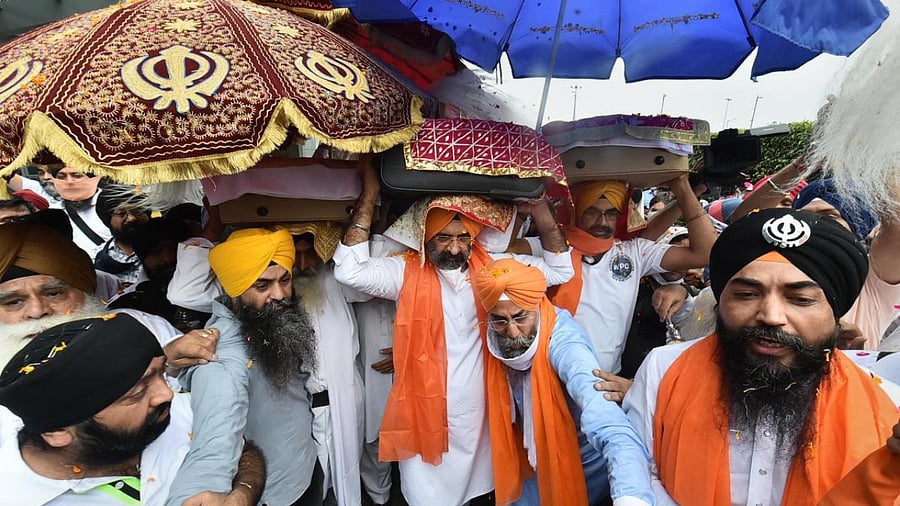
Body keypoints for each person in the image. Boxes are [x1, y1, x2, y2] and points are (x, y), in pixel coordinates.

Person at [333, 165, 573, 506]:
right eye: (444, 237)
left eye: (464, 238)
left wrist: (539, 209)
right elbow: (348, 270)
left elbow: (562, 268)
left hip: (481, 414)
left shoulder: (495, 269)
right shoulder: (405, 271)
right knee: (424, 496)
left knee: (482, 494)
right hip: (424, 415)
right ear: (425, 236)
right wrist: (370, 195)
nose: (456, 249)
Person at [623, 208, 899, 505]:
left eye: (800, 300)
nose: (771, 316)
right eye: (747, 295)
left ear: (836, 312)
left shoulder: (886, 405)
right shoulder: (663, 370)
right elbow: (638, 474)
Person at [0, 313, 265, 505]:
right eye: (137, 392)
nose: (167, 393)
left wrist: (243, 493)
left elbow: (244, 450)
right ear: (58, 432)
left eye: (161, 373)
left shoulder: (174, 410)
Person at [471, 258, 655, 506]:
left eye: (520, 317)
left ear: (537, 305)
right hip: (528, 460)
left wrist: (632, 497)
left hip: (580, 464)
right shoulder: (489, 331)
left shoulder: (565, 343)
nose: (512, 333)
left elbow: (609, 423)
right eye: (501, 321)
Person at [168, 228, 323, 506]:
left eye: (285, 280)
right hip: (273, 492)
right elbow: (216, 438)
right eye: (262, 285)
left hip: (303, 467)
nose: (279, 294)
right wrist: (206, 487)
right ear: (234, 290)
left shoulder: (267, 322)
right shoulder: (220, 359)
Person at [535, 175, 715, 378]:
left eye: (611, 214)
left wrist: (682, 187)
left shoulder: (634, 252)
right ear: (574, 212)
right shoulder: (546, 248)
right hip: (548, 375)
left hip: (607, 379)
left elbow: (706, 253)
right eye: (592, 212)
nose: (602, 222)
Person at [0, 218, 219, 374]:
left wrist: (168, 365)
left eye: (54, 293)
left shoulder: (139, 327)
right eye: (14, 302)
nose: (38, 311)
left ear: (85, 290)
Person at [10, 167, 110, 259]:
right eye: (61, 177)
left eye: (77, 176)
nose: (69, 182)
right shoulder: (52, 212)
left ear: (95, 178)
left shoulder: (114, 207)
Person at [93, 190, 151, 286]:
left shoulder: (168, 249)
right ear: (108, 220)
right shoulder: (96, 258)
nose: (132, 218)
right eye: (121, 213)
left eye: (137, 211)